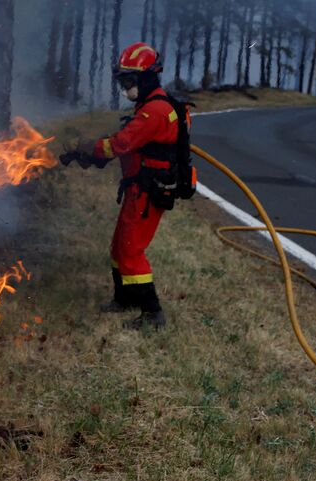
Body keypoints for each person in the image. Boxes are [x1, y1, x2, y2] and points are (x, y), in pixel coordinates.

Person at [74, 42, 184, 330]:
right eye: (122, 81)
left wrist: (91, 148)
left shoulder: (156, 112)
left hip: (148, 191)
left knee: (131, 249)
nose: (125, 88)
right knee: (118, 245)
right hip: (139, 188)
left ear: (147, 78)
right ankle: (124, 298)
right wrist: (95, 155)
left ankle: (152, 313)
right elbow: (128, 143)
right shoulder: (149, 106)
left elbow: (122, 143)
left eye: (129, 81)